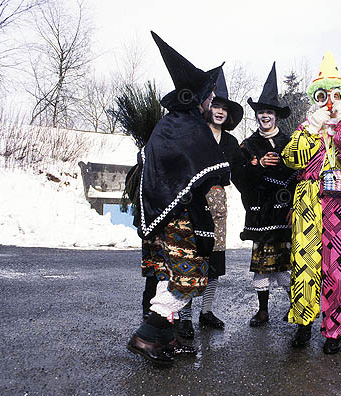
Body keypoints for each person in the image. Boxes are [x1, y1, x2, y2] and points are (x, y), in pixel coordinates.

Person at [126, 31, 229, 367]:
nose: (212, 102)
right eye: (210, 96)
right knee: (185, 281)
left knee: (172, 277)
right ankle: (146, 335)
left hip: (163, 216)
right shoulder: (187, 127)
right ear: (196, 98)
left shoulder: (171, 124)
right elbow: (208, 173)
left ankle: (164, 337)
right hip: (178, 219)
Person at [282, 51, 341, 354]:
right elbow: (291, 158)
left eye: (334, 95)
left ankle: (335, 331)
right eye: (323, 96)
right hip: (307, 203)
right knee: (305, 266)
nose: (329, 102)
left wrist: (340, 127)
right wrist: (312, 127)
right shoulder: (307, 127)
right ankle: (303, 324)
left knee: (338, 269)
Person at [177, 67, 246, 338]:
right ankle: (184, 317)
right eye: (215, 105)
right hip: (194, 201)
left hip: (219, 202)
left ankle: (206, 312)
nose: (219, 111)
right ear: (208, 107)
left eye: (224, 108)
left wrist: (256, 164)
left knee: (213, 263)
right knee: (191, 259)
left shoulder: (230, 142)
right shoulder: (196, 132)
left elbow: (242, 174)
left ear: (228, 114)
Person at [238, 62, 296, 327]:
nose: (265, 116)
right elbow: (239, 179)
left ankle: (296, 306)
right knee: (262, 265)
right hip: (260, 213)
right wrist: (258, 166)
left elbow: (300, 175)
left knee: (285, 266)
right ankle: (263, 310)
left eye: (269, 112)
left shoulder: (291, 142)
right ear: (257, 115)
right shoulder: (247, 145)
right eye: (261, 112)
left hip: (285, 212)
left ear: (276, 116)